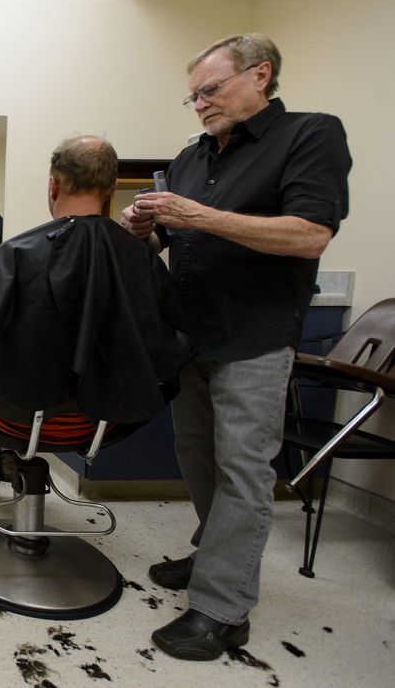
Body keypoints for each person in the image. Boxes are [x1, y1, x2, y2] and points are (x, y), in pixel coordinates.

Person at [121, 33, 351, 661]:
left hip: (254, 336)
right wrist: (145, 230)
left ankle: (223, 610)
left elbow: (308, 235)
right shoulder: (192, 157)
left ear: (260, 75)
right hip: (191, 332)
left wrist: (195, 216)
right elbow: (166, 241)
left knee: (244, 468)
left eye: (210, 90)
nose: (199, 104)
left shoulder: (309, 135)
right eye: (193, 95)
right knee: (195, 451)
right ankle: (211, 554)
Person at [0, 135, 191, 485]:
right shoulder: (139, 257)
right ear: (112, 188)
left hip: (14, 415)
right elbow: (169, 348)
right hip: (106, 417)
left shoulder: (18, 253)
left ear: (53, 185)